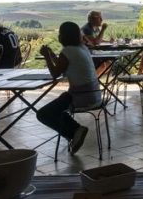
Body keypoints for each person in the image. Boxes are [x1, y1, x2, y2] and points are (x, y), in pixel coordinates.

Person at [37, 21, 98, 155]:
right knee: (59, 104)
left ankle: (75, 130)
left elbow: (55, 73)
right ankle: (75, 132)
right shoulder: (82, 48)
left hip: (80, 97)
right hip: (94, 94)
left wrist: (47, 56)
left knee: (42, 114)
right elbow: (64, 66)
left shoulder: (67, 50)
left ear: (63, 36)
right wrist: (53, 55)